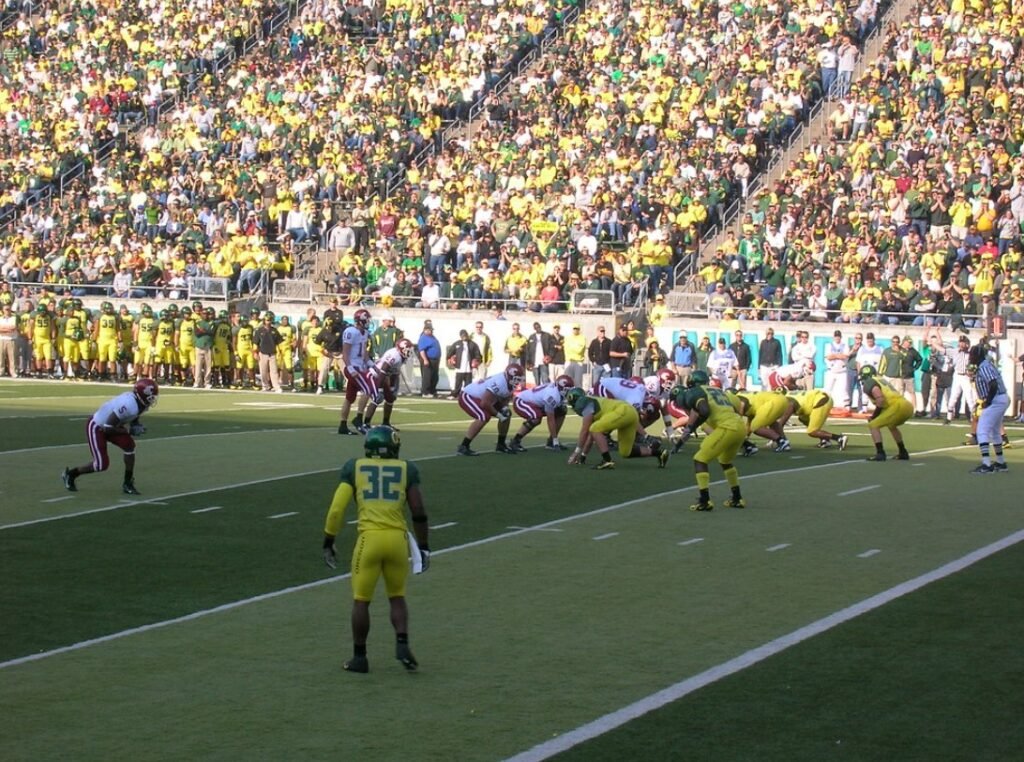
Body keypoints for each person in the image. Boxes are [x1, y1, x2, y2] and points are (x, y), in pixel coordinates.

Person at [321, 426, 430, 674]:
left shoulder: (354, 467)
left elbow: (337, 509)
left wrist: (329, 539)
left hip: (369, 540)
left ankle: (360, 657)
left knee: (361, 601)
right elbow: (419, 512)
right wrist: (423, 547)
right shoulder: (406, 469)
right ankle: (402, 643)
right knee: (397, 596)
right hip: (397, 541)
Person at [62, 379, 159, 495]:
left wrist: (135, 424)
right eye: (150, 396)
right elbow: (107, 427)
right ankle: (71, 474)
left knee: (129, 446)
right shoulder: (129, 404)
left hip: (113, 426)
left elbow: (134, 416)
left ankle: (127, 483)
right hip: (98, 427)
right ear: (141, 394)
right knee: (101, 465)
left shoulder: (140, 403)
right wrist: (129, 431)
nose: (152, 399)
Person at [668, 376, 747, 511]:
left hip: (727, 427)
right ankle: (737, 498)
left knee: (700, 459)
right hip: (740, 426)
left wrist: (698, 423)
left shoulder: (694, 393)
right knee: (725, 460)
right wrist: (679, 443)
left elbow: (704, 411)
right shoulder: (716, 391)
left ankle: (704, 501)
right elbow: (735, 408)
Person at [565, 387, 668, 470]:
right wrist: (583, 456)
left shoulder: (585, 404)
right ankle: (659, 453)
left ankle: (607, 461)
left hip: (622, 411)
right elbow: (591, 436)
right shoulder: (592, 403)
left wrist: (576, 452)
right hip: (630, 413)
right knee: (625, 452)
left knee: (595, 428)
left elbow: (585, 431)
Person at [456, 363, 523, 456]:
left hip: (486, 398)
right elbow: (484, 403)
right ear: (508, 375)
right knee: (483, 416)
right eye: (515, 378)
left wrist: (503, 409)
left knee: (506, 413)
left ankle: (501, 445)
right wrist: (498, 415)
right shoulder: (499, 382)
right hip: (469, 395)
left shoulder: (510, 383)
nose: (517, 380)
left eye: (518, 378)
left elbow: (505, 398)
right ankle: (463, 446)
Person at [967, 343, 1009, 474]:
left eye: (972, 354)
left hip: (995, 400)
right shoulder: (986, 365)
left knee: (982, 430)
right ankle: (1001, 462)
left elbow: (993, 384)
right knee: (995, 431)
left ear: (978, 355)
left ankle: (986, 464)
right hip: (1000, 398)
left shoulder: (984, 366)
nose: (970, 356)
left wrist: (987, 401)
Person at [858, 365, 912, 461]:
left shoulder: (870, 383)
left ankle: (880, 453)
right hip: (906, 405)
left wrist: (874, 416)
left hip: (897, 407)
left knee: (873, 425)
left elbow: (880, 399)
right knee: (891, 425)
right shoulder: (879, 379)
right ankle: (903, 451)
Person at [509, 374, 574, 452]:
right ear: (561, 388)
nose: (569, 392)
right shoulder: (552, 395)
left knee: (562, 411)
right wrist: (555, 441)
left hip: (537, 404)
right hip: (521, 401)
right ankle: (515, 441)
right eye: (567, 390)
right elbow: (550, 419)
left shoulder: (556, 391)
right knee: (536, 418)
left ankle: (550, 441)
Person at [363, 338, 416, 430]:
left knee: (390, 398)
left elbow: (394, 372)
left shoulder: (401, 356)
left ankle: (386, 423)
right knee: (378, 398)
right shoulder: (394, 355)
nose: (409, 352)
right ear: (400, 349)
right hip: (377, 375)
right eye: (407, 350)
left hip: (386, 376)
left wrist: (392, 387)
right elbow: (383, 370)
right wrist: (379, 388)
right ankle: (366, 423)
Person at [338, 309, 374, 434]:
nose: (368, 322)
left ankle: (342, 425)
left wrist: (371, 364)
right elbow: (345, 353)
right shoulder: (350, 331)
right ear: (360, 320)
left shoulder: (364, 333)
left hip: (360, 367)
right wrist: (350, 368)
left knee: (349, 397)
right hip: (353, 367)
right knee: (368, 389)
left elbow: (364, 353)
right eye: (367, 319)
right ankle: (358, 419)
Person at [946, 334, 975, 423]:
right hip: (957, 376)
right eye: (960, 342)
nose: (961, 344)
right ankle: (948, 417)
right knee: (953, 397)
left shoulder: (970, 353)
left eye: (963, 343)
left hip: (966, 377)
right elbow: (943, 350)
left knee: (969, 398)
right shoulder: (955, 352)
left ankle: (973, 418)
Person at [253, 313, 285, 393]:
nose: (269, 322)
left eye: (270, 320)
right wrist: (255, 352)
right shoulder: (259, 330)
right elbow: (255, 343)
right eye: (267, 320)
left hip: (272, 353)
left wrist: (281, 352)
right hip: (263, 353)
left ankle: (276, 386)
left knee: (274, 371)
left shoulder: (274, 330)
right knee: (263, 371)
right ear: (264, 320)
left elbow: (279, 342)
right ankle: (265, 386)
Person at [446, 329, 480, 398]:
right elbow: (450, 352)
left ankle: (467, 395)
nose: (464, 337)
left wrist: (476, 360)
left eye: (465, 335)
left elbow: (477, 354)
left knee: (468, 383)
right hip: (459, 367)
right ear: (460, 336)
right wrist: (449, 358)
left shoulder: (472, 344)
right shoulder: (457, 344)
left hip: (468, 368)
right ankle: (455, 394)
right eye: (462, 335)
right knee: (458, 383)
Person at [824, 330, 849, 410]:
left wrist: (834, 355)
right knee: (828, 389)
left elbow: (845, 356)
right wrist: (839, 356)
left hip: (842, 371)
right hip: (831, 370)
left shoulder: (845, 346)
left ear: (840, 337)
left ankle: (846, 406)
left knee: (844, 389)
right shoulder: (829, 345)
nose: (837, 338)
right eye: (836, 336)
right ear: (834, 337)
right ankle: (825, 405)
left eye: (838, 336)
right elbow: (828, 357)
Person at [416, 320, 441, 398]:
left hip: (435, 360)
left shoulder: (432, 337)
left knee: (434, 377)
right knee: (427, 376)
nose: (431, 331)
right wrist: (425, 360)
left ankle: (432, 391)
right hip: (428, 359)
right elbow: (422, 350)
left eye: (431, 329)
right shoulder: (424, 337)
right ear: (425, 330)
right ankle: (425, 392)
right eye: (429, 329)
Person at [563, 323, 587, 387]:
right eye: (574, 328)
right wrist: (575, 346)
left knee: (578, 382)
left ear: (579, 330)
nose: (575, 330)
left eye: (577, 329)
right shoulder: (568, 338)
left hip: (578, 362)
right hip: (569, 361)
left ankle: (578, 395)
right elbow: (566, 348)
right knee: (567, 381)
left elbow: (580, 350)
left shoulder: (582, 338)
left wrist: (571, 347)